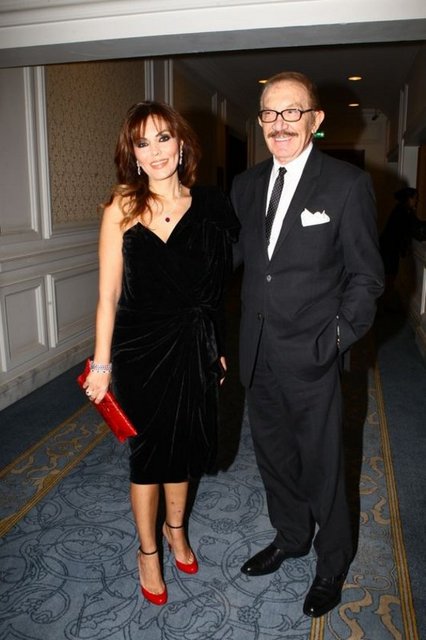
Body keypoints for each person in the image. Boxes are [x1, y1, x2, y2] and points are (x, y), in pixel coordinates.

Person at [230, 71, 384, 618]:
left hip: (314, 354)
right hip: (258, 352)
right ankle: (292, 536)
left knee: (324, 465)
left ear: (315, 120)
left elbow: (367, 277)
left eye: (292, 111)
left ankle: (333, 560)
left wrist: (336, 337)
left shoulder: (346, 185)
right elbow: (240, 263)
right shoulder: (245, 186)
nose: (279, 124)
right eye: (269, 113)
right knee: (274, 457)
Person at [83, 101, 239, 606]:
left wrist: (216, 348)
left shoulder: (211, 205)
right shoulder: (121, 207)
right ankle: (148, 552)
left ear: (182, 143)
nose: (155, 152)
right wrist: (101, 366)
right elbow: (107, 294)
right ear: (132, 153)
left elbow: (217, 288)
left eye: (163, 138)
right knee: (149, 456)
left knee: (184, 448)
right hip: (139, 351)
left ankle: (176, 530)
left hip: (193, 346)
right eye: (142, 142)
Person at [380, 187, 426, 308]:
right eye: (415, 198)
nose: (417, 201)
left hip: (389, 248)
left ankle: (383, 305)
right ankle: (382, 305)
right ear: (409, 199)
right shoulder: (404, 212)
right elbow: (416, 229)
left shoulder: (402, 210)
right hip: (389, 250)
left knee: (389, 277)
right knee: (389, 277)